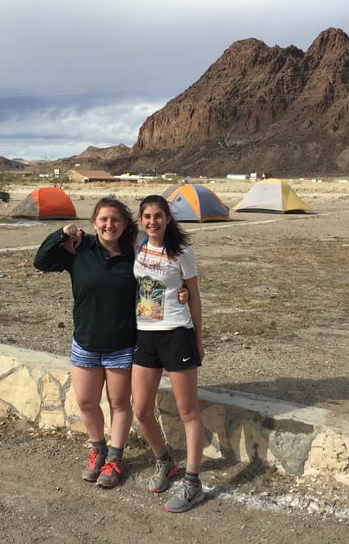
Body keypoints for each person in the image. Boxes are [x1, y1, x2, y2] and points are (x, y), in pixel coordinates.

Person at [33, 197, 138, 489]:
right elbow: (40, 261)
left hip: (121, 345)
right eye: (103, 219)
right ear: (94, 223)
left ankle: (115, 458)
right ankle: (97, 450)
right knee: (86, 402)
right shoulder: (79, 252)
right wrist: (63, 233)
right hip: (85, 344)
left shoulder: (135, 256)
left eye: (115, 219)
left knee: (119, 403)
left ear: (124, 224)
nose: (109, 225)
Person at [132, 194, 206, 513]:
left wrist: (199, 338)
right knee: (141, 410)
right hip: (144, 336)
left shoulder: (181, 252)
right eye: (147, 216)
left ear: (168, 219)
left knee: (188, 411)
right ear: (140, 220)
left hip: (177, 334)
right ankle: (165, 462)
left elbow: (195, 298)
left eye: (158, 216)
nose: (153, 221)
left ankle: (193, 483)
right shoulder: (136, 246)